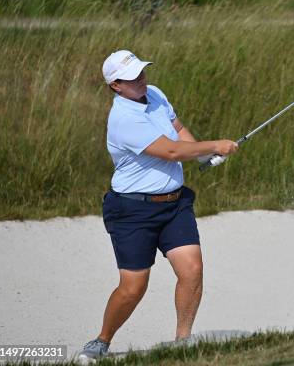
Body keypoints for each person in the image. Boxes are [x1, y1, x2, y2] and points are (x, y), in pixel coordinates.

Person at [78, 50, 238, 362]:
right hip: (132, 211)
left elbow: (177, 130)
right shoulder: (124, 119)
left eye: (141, 71)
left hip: (174, 204)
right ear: (116, 86)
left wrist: (202, 154)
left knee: (192, 269)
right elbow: (171, 151)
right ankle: (101, 340)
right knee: (133, 287)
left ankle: (182, 342)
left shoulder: (154, 94)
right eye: (131, 77)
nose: (140, 79)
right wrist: (214, 145)